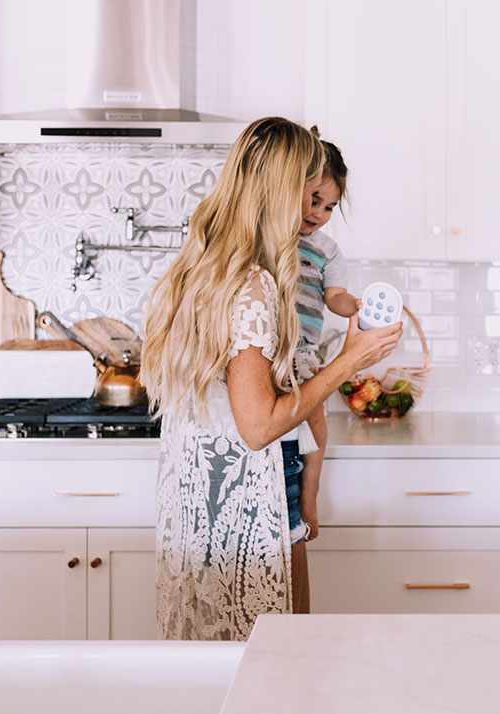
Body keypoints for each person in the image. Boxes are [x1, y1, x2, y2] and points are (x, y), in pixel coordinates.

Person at [140, 117, 402, 641]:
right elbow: (259, 427)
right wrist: (351, 359)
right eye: (308, 193)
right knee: (283, 661)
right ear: (282, 190)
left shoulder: (203, 267)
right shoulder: (256, 285)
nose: (314, 211)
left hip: (207, 497)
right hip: (255, 487)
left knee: (223, 664)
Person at [282, 131, 356, 613]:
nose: (318, 214)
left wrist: (354, 308)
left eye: (329, 207)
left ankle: (309, 502)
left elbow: (334, 297)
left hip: (304, 354)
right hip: (274, 352)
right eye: (314, 200)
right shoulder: (273, 239)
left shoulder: (326, 251)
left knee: (317, 426)